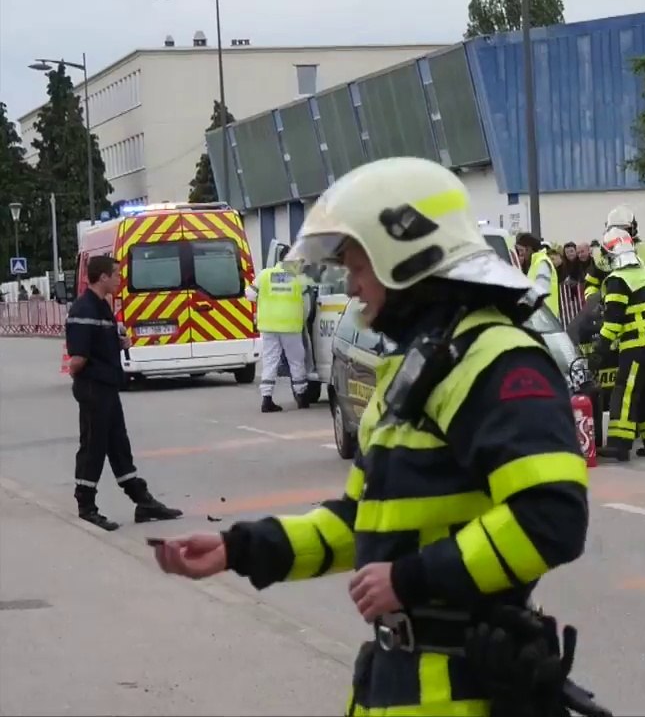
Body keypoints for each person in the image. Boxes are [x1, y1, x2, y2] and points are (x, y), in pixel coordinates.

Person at [152, 157, 594, 716]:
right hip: (397, 682)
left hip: (464, 689)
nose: (352, 285)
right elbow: (358, 519)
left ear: (404, 257)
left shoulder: (497, 361)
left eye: (357, 265)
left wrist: (411, 579)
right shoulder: (420, 365)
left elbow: (550, 517)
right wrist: (238, 549)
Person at [66, 256, 182, 531]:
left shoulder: (102, 307)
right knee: (93, 447)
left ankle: (143, 501)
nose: (120, 280)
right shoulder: (84, 308)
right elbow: (79, 356)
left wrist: (120, 342)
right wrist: (77, 373)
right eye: (116, 274)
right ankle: (86, 506)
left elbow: (100, 344)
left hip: (107, 385)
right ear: (102, 277)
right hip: (94, 386)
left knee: (119, 444)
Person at [595, 227, 645, 461]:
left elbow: (613, 322)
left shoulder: (618, 280)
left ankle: (619, 444)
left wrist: (599, 351)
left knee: (625, 392)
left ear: (611, 254)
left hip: (635, 346)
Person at [246, 255, 311, 412]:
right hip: (291, 326)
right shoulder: (298, 278)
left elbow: (249, 294)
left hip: (269, 326)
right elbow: (307, 301)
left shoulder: (265, 274)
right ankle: (301, 397)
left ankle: (266, 399)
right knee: (296, 360)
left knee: (270, 361)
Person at [517, 232, 561, 318]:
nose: (521, 254)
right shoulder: (535, 263)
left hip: (546, 319)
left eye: (521, 250)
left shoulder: (542, 263)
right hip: (541, 317)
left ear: (529, 249)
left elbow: (539, 290)